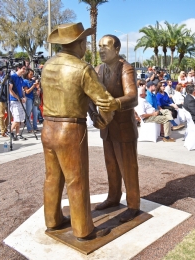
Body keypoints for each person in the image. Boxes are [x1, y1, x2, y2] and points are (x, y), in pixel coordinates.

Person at [41, 23, 118, 241]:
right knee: (76, 179)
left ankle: (53, 220)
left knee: (52, 177)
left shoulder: (48, 65)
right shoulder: (82, 68)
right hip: (70, 129)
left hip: (48, 127)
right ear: (81, 43)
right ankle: (83, 229)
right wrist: (104, 118)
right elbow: (105, 100)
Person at [88, 34, 140, 223]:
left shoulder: (125, 68)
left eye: (106, 46)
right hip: (106, 128)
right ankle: (113, 197)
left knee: (128, 168)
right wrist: (94, 115)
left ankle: (133, 205)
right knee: (111, 166)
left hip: (124, 128)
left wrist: (114, 104)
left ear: (116, 49)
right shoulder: (98, 69)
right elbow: (90, 95)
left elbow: (133, 97)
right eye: (99, 46)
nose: (101, 49)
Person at [9, 64, 27, 140]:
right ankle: (9, 131)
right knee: (17, 118)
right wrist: (18, 98)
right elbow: (10, 90)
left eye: (25, 69)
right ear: (18, 68)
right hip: (14, 101)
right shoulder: (13, 77)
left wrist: (24, 97)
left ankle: (17, 134)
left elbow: (22, 89)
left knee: (20, 118)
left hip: (20, 100)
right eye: (23, 68)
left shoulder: (21, 78)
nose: (24, 70)